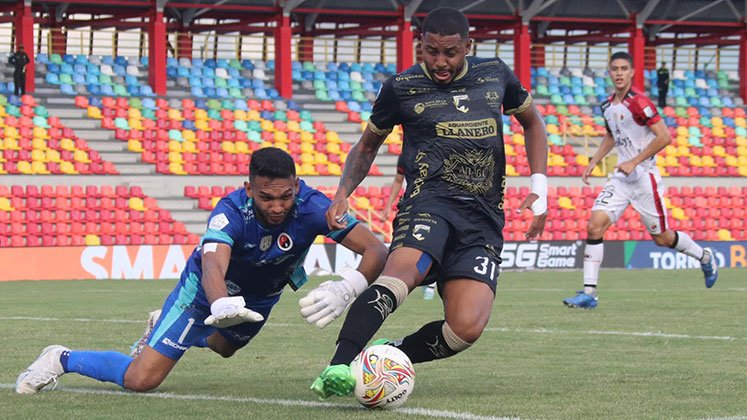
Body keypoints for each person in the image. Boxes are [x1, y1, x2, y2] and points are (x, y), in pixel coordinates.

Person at [309, 7, 548, 399]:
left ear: (468, 47)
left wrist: (540, 188)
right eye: (431, 51)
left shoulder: (496, 75)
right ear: (420, 45)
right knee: (401, 276)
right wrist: (342, 191)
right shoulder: (400, 87)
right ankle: (338, 363)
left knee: (465, 329)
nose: (440, 62)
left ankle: (385, 356)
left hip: (483, 220)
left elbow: (533, 123)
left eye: (450, 53)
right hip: (428, 204)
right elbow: (367, 146)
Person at [16, 147, 388, 395]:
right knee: (141, 380)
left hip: (261, 298)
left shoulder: (314, 207)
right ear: (249, 189)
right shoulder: (230, 211)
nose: (277, 207)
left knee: (224, 348)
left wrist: (348, 287)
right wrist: (219, 302)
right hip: (203, 294)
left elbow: (375, 248)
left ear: (296, 185)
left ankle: (167, 326)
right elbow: (212, 261)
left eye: (285, 196)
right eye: (265, 197)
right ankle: (60, 358)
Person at [562, 52, 718, 310]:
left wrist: (634, 160)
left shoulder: (640, 103)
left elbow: (664, 137)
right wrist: (594, 160)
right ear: (610, 73)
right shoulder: (607, 106)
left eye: (624, 68)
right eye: (615, 69)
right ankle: (589, 294)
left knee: (663, 239)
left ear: (632, 72)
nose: (619, 73)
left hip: (644, 178)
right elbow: (612, 136)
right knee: (594, 226)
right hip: (621, 179)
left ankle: (705, 256)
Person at [383, 153, 436, 300]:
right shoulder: (407, 155)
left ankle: (430, 283)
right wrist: (388, 206)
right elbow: (398, 180)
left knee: (431, 244)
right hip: (411, 206)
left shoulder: (441, 151)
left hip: (436, 207)